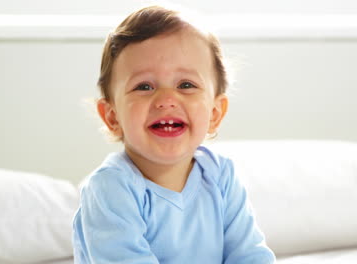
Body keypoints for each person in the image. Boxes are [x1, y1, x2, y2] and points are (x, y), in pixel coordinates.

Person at [72, 5, 275, 264]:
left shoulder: (221, 176)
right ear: (112, 117)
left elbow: (249, 254)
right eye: (144, 86)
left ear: (215, 112)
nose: (167, 99)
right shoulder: (111, 189)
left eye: (186, 85)